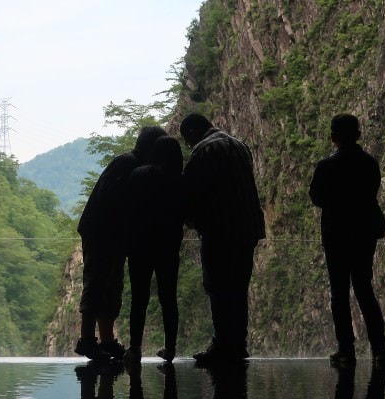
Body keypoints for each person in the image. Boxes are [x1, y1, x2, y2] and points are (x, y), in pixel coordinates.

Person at [76, 126, 167, 363]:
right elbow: (115, 202)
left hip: (110, 234)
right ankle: (87, 340)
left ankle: (106, 341)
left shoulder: (128, 163)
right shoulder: (128, 165)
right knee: (97, 284)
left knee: (111, 286)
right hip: (102, 232)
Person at [179, 114, 265, 363]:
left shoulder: (204, 150)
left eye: (187, 140)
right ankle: (238, 344)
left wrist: (191, 221)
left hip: (220, 229)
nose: (189, 145)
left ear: (194, 132)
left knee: (217, 286)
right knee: (239, 287)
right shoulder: (240, 145)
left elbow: (191, 193)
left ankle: (222, 344)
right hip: (247, 228)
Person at [309, 113, 385, 363]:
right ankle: (379, 348)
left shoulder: (326, 166)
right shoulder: (370, 164)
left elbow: (317, 198)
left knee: (339, 293)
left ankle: (346, 348)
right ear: (358, 135)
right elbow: (372, 191)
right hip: (364, 231)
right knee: (364, 288)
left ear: (333, 137)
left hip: (336, 233)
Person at [123, 135, 185, 363]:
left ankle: (135, 349)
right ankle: (170, 349)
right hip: (168, 245)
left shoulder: (139, 174)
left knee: (139, 298)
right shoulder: (179, 180)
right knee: (168, 298)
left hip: (139, 244)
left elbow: (128, 209)